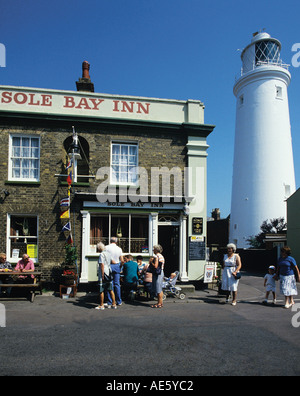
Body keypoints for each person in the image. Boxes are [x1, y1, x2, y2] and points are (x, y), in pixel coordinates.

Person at [95, 242, 116, 310]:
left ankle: (101, 305)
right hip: (109, 272)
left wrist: (103, 275)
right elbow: (113, 262)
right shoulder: (108, 254)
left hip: (104, 273)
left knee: (101, 290)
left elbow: (102, 265)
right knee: (110, 289)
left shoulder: (101, 254)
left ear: (99, 248)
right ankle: (114, 304)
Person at [105, 237, 124, 307]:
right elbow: (122, 260)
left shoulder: (106, 247)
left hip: (109, 265)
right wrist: (120, 266)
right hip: (116, 265)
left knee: (109, 284)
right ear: (116, 242)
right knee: (117, 284)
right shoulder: (119, 249)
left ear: (110, 241)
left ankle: (110, 301)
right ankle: (119, 301)